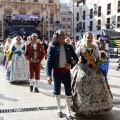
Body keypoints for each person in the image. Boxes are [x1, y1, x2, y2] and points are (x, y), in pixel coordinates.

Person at [71, 32, 113, 118]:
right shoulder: (81, 47)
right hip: (83, 68)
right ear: (85, 38)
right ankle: (85, 108)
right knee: (81, 82)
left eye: (90, 37)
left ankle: (95, 108)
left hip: (93, 68)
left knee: (98, 81)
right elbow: (75, 56)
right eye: (87, 37)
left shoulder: (95, 47)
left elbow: (98, 59)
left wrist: (99, 64)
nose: (89, 39)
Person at [46, 30, 78, 120]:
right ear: (57, 36)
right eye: (59, 35)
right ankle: (59, 109)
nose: (61, 36)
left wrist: (71, 65)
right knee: (57, 91)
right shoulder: (52, 47)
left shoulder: (69, 47)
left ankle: (68, 112)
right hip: (56, 73)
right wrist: (48, 75)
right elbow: (49, 62)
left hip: (67, 73)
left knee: (68, 92)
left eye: (63, 35)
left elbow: (76, 58)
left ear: (65, 36)